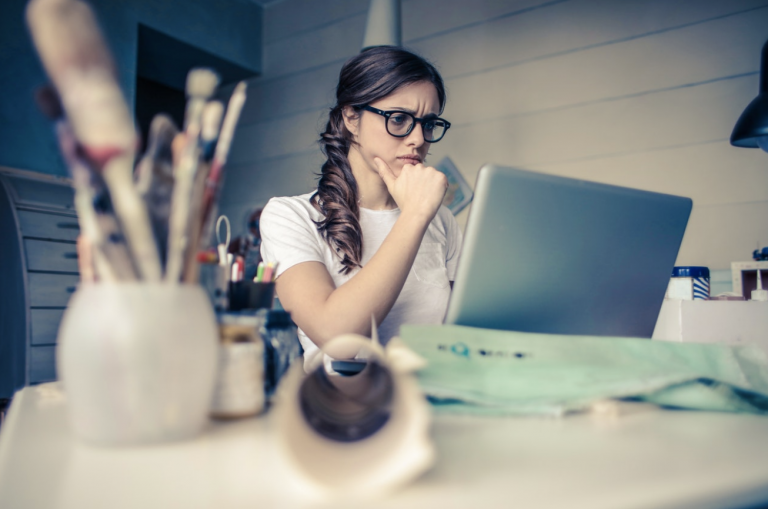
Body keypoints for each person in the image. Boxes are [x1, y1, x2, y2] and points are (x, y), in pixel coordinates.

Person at [259, 46, 462, 369]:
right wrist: (414, 216)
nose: (418, 139)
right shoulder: (290, 216)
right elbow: (338, 339)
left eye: (428, 123)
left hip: (432, 406)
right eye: (398, 119)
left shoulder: (442, 222)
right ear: (351, 118)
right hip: (341, 410)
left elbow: (460, 337)